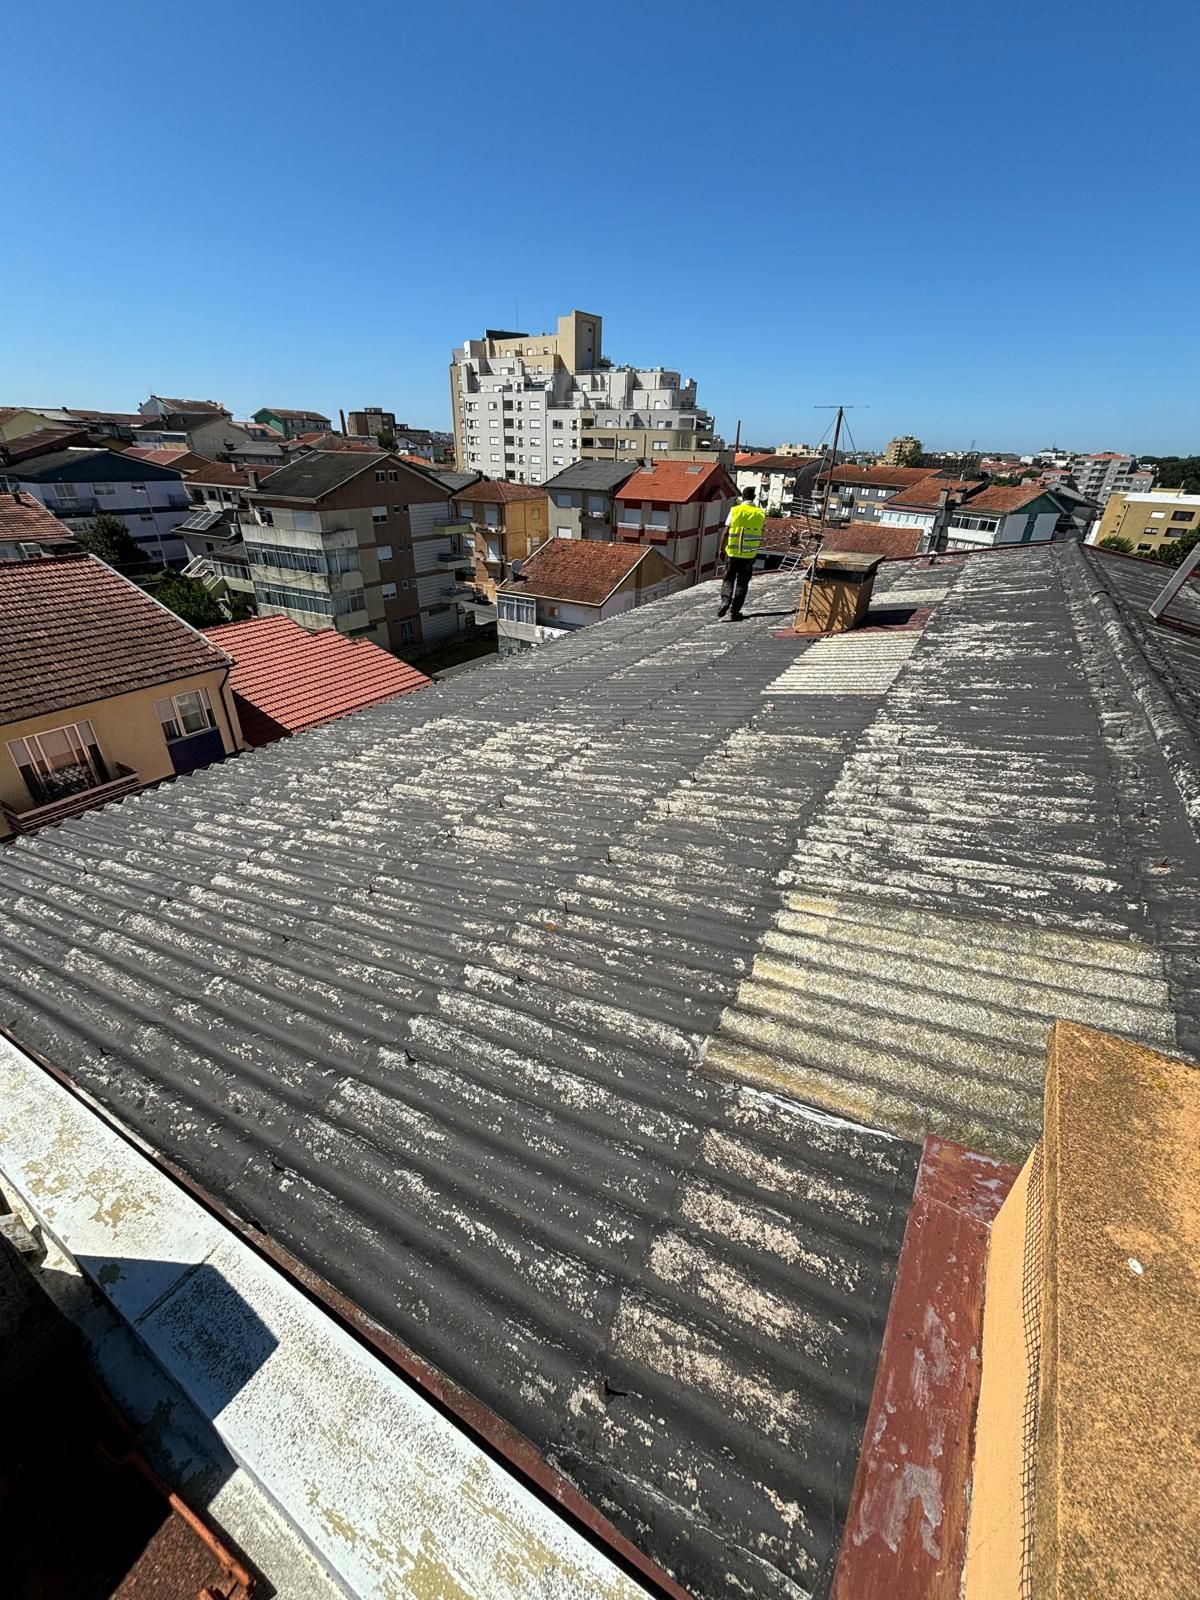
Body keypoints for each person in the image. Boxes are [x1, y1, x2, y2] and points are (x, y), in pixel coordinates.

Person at [717, 488, 766, 620]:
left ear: (742, 496)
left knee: (728, 578)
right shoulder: (760, 513)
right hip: (749, 555)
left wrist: (721, 549)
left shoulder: (735, 510)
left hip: (732, 553)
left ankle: (725, 601)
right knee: (742, 583)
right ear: (754, 497)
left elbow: (726, 532)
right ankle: (735, 611)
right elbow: (761, 533)